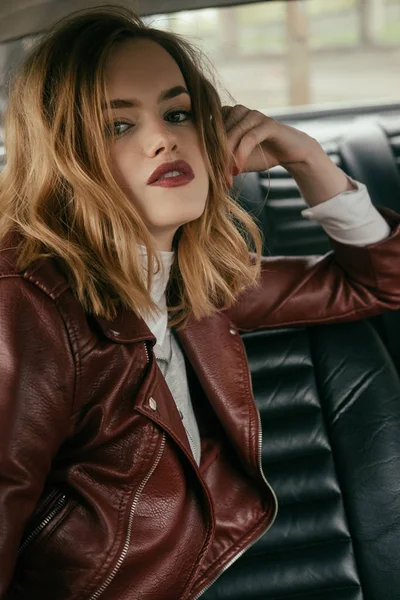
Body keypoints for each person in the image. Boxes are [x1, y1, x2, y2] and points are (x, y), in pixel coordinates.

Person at [0, 5, 400, 600]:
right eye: (118, 125)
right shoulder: (26, 305)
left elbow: (376, 284)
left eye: (178, 112)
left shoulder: (187, 284)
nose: (164, 137)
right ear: (65, 155)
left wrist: (308, 160)